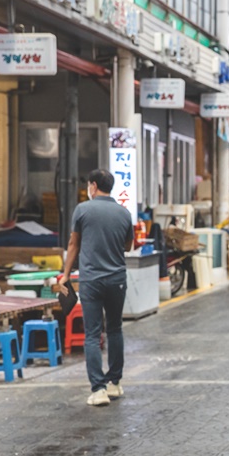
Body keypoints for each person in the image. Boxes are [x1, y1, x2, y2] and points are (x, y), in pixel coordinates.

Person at [57, 169, 135, 407]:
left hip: (91, 280)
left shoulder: (83, 209)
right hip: (117, 279)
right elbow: (128, 246)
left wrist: (66, 275)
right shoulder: (124, 212)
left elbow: (73, 243)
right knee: (115, 329)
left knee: (92, 334)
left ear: (92, 186)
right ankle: (114, 384)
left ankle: (98, 390)